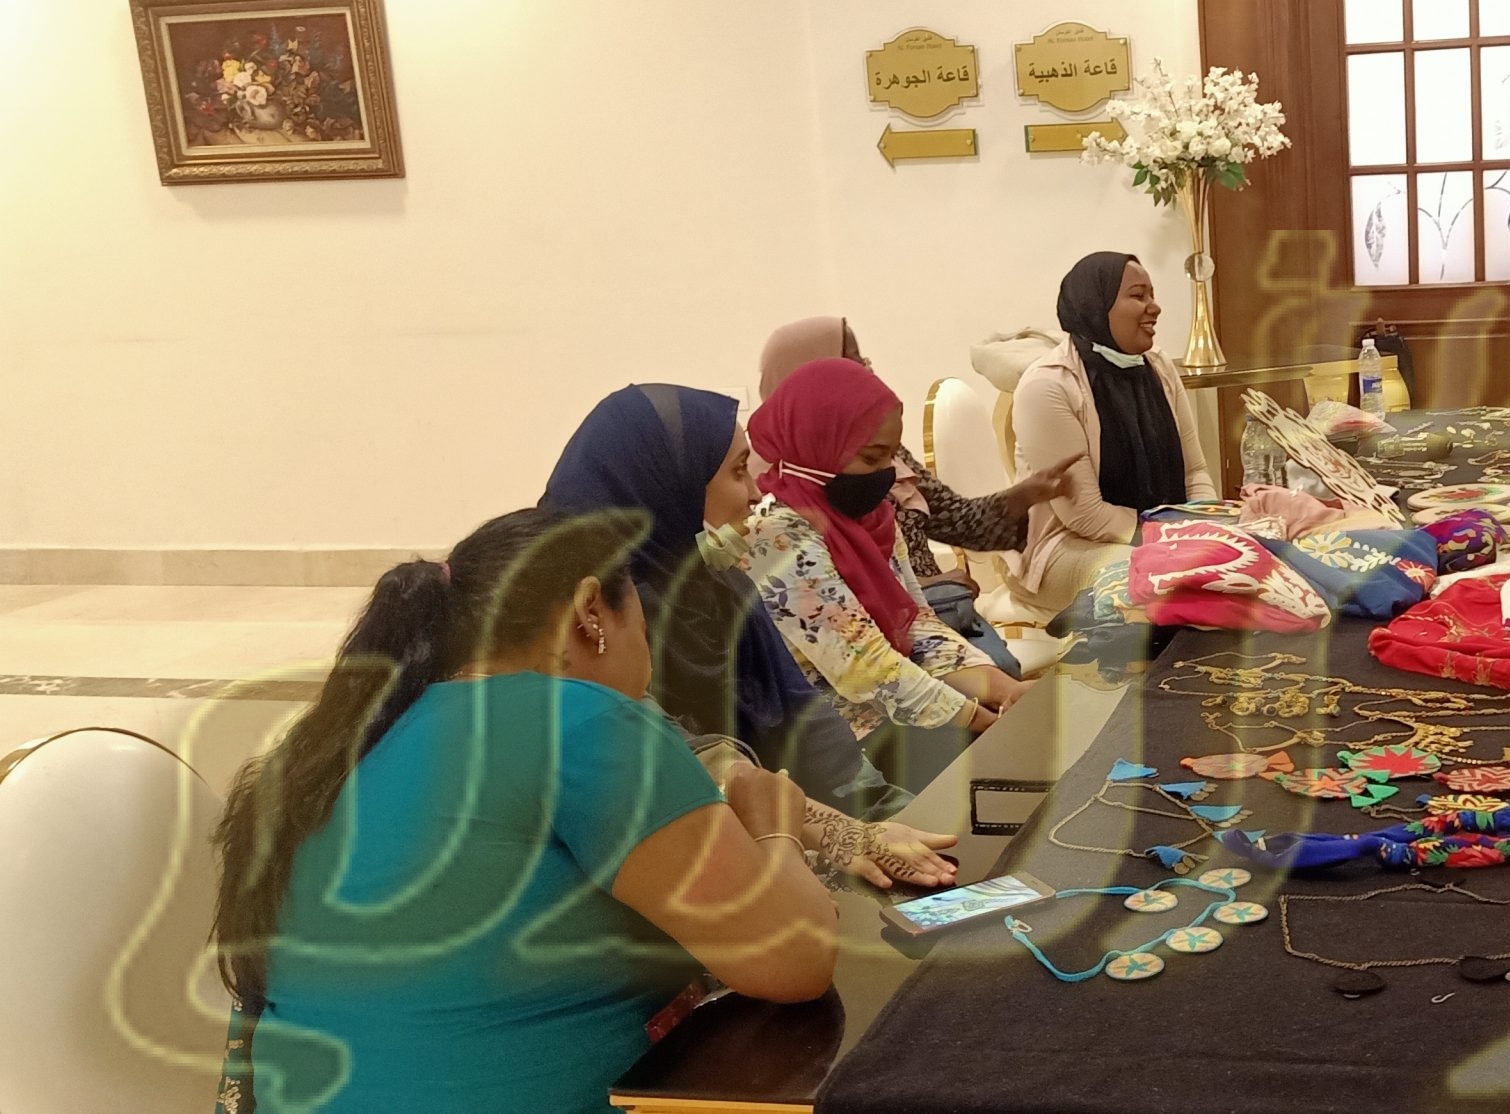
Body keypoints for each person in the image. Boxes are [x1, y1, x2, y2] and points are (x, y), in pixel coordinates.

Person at [208, 507, 841, 1113]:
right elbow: (794, 960)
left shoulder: (342, 742)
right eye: (641, 619)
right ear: (590, 611)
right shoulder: (583, 720)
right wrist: (775, 828)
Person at [543, 384, 949, 843]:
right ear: (672, 484)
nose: (756, 493)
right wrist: (848, 836)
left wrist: (881, 810)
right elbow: (685, 764)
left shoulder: (718, 585)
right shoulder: (596, 624)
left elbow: (802, 714)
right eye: (739, 471)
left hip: (783, 824)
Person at [741, 358, 1026, 786]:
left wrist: (1004, 692)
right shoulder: (778, 537)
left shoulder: (873, 516)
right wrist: (980, 718)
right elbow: (863, 667)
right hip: (838, 732)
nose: (887, 473)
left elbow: (918, 625)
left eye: (892, 454)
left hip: (900, 695)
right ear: (820, 445)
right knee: (994, 769)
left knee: (1015, 711)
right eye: (873, 457)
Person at [758, 317, 1075, 676]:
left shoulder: (883, 452)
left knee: (998, 672)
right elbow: (830, 610)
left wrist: (1024, 495)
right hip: (865, 642)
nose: (867, 368)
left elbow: (957, 519)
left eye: (864, 358)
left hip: (932, 613)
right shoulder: (776, 499)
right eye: (852, 358)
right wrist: (926, 585)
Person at [1009, 252, 1216, 614]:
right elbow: (1085, 515)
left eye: (1152, 295)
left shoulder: (1159, 366)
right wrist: (1175, 538)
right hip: (1061, 548)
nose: (1154, 308)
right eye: (1138, 296)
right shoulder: (1048, 385)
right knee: (1161, 578)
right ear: (1096, 305)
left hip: (1158, 536)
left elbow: (1195, 472)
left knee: (1242, 554)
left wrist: (1207, 527)